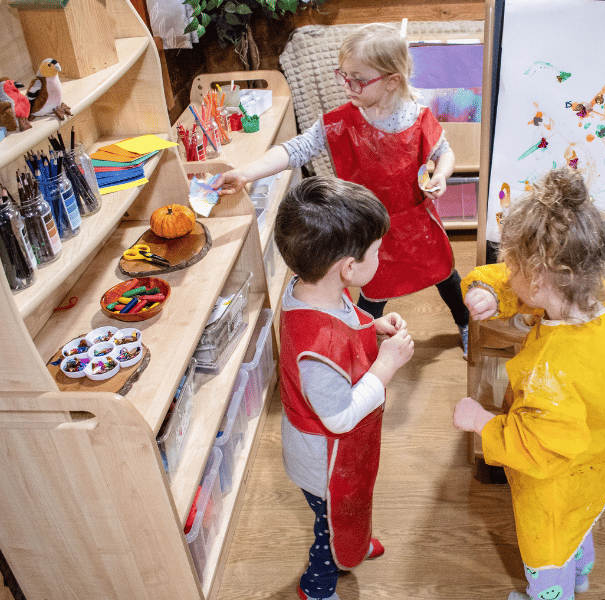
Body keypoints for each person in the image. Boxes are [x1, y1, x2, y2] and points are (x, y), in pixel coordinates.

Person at [214, 22, 471, 356]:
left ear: (392, 81)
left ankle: (465, 323)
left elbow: (444, 152)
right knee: (373, 291)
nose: (347, 86)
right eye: (343, 75)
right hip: (367, 227)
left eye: (358, 79)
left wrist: (442, 174)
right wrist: (246, 173)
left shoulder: (418, 117)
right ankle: (362, 343)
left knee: (445, 275)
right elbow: (296, 150)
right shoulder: (339, 121)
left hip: (418, 224)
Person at [453, 167, 605, 600]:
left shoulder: (553, 373)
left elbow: (535, 447)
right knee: (581, 519)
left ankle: (553, 591)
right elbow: (531, 289)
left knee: (548, 544)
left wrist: (481, 423)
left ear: (536, 277)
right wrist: (493, 291)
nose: (505, 271)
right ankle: (581, 573)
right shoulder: (598, 296)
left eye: (509, 265)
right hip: (599, 458)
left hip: (555, 481)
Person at [276, 176, 415, 600]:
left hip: (340, 452)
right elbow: (339, 416)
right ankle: (318, 584)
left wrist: (371, 326)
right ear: (349, 267)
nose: (381, 254)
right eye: (376, 249)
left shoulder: (311, 288)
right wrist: (386, 365)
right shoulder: (317, 349)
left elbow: (342, 320)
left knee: (354, 506)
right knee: (330, 522)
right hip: (325, 462)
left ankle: (351, 540)